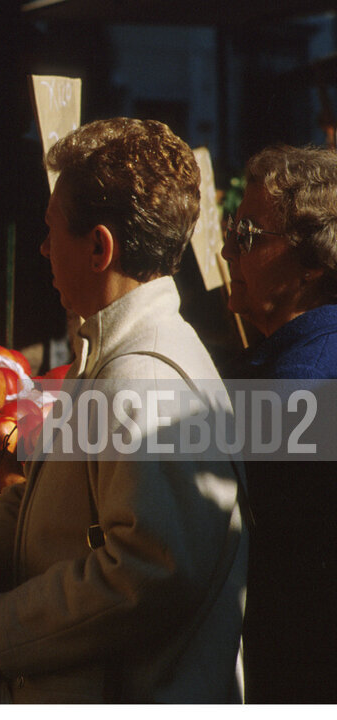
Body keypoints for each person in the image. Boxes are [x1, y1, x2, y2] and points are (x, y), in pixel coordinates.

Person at [0, 118, 247, 702]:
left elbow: (151, 570)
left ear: (99, 247)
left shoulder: (141, 380)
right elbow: (57, 484)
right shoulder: (113, 358)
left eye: (52, 231)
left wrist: (3, 632)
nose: (44, 249)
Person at [221, 145, 337, 702]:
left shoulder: (303, 385)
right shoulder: (291, 360)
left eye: (247, 237)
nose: (225, 250)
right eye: (231, 228)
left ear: (313, 261)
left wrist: (45, 426)